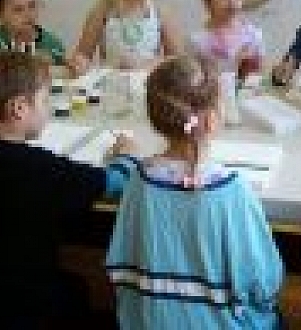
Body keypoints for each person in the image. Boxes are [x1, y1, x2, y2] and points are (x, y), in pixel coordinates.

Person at [0, 50, 133, 328]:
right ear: (18, 108)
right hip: (28, 301)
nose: (49, 107)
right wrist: (125, 155)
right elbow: (117, 182)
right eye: (45, 99)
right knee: (78, 290)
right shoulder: (41, 168)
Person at [105, 55, 284, 329]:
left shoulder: (138, 182)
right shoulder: (233, 191)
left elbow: (120, 269)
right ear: (211, 120)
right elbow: (263, 283)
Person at [189, 0, 265, 79]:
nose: (232, 2)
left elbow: (258, 77)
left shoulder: (254, 36)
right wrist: (234, 65)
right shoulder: (198, 41)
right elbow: (195, 83)